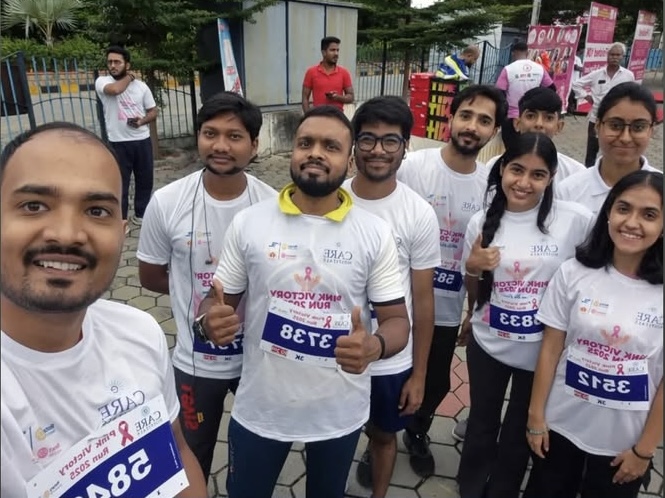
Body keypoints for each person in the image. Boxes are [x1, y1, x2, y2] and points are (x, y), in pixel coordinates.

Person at [195, 105, 410, 498]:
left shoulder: (374, 232)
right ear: (292, 151)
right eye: (305, 143)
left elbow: (398, 322)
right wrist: (208, 321)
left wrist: (375, 346)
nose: (315, 153)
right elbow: (214, 301)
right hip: (261, 408)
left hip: (338, 412)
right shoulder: (250, 222)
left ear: (350, 161)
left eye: (331, 146)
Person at [0, 122, 207, 498]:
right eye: (34, 206)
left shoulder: (140, 332)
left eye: (96, 211)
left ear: (122, 232)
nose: (67, 234)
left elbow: (176, 451)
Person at [136, 92, 277, 482]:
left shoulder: (272, 206)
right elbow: (150, 276)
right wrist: (191, 294)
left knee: (254, 453)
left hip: (257, 360)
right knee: (192, 454)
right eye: (210, 133)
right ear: (198, 137)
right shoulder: (167, 202)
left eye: (235, 136)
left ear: (254, 145)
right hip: (195, 362)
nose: (220, 145)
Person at [456, 132, 594, 498]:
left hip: (542, 354)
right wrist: (472, 267)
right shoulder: (481, 222)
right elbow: (474, 286)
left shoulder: (575, 220)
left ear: (551, 178)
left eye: (538, 174)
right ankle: (471, 485)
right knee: (482, 422)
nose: (524, 182)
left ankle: (503, 489)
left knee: (519, 429)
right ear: (502, 168)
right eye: (517, 169)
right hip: (488, 345)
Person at [524, 170, 663, 498]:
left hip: (623, 446)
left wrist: (644, 450)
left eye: (649, 215)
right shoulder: (573, 273)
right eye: (624, 208)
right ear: (609, 212)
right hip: (559, 428)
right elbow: (551, 348)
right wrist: (536, 417)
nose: (632, 223)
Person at [396, 84, 507, 476]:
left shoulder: (491, 187)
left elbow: (484, 255)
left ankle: (416, 430)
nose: (472, 126)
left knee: (437, 383)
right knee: (389, 378)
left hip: (445, 308)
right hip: (395, 302)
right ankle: (380, 439)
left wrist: (474, 311)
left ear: (494, 131)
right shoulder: (413, 167)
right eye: (466, 115)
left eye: (484, 120)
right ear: (451, 117)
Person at [343, 96, 440, 498]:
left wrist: (419, 375)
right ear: (354, 144)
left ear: (405, 147)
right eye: (367, 139)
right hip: (335, 353)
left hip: (390, 360)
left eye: (390, 141)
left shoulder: (418, 213)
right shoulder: (331, 199)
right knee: (334, 436)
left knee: (384, 437)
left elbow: (423, 302)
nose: (378, 150)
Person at [557, 82, 658, 215]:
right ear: (597, 127)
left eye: (638, 127)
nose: (625, 138)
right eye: (615, 126)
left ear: (651, 130)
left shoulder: (660, 188)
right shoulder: (568, 192)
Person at [95, 46, 158, 231]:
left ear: (127, 64)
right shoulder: (102, 81)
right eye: (110, 62)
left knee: (145, 180)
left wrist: (142, 121)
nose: (113, 65)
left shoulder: (142, 87)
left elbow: (153, 111)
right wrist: (130, 77)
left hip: (142, 140)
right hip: (118, 142)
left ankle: (141, 214)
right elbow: (115, 90)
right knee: (120, 183)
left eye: (117, 62)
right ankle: (120, 220)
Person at [485, 87, 586, 188]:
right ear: (517, 123)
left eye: (548, 118)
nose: (539, 124)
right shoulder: (494, 165)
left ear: (559, 126)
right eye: (530, 116)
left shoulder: (575, 173)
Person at [571, 42, 635, 167]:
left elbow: (632, 93)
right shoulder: (597, 74)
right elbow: (576, 84)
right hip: (596, 118)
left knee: (614, 147)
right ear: (607, 55)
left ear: (622, 56)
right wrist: (587, 96)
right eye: (612, 54)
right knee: (592, 149)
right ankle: (588, 172)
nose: (614, 57)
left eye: (618, 55)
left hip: (618, 119)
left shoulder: (628, 76)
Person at [496, 41, 556, 149]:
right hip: (532, 117)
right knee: (531, 148)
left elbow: (499, 93)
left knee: (511, 149)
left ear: (513, 53)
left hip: (511, 117)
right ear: (527, 52)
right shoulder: (539, 68)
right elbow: (552, 88)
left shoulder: (508, 69)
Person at [301, 36, 354, 113]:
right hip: (318, 116)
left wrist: (337, 97)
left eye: (337, 50)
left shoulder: (344, 73)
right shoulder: (311, 72)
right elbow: (305, 98)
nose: (336, 53)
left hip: (337, 117)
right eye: (332, 50)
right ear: (324, 52)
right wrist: (308, 116)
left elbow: (351, 97)